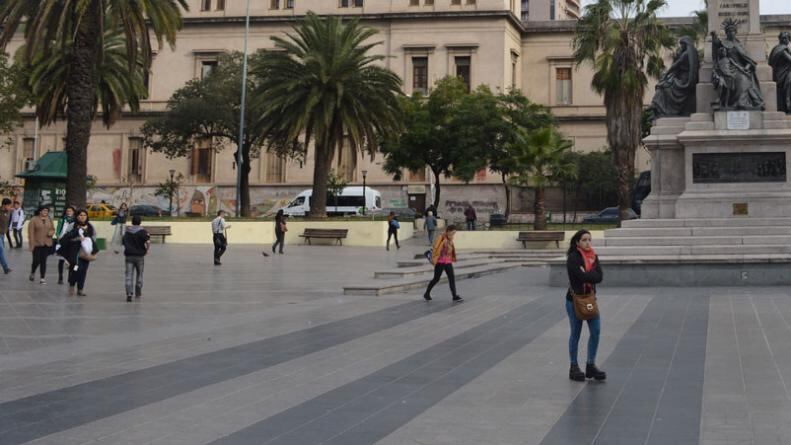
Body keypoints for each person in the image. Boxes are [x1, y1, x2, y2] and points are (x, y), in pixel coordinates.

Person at [565, 229, 606, 382]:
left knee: (596, 331)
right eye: (584, 240)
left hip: (589, 300)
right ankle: (573, 366)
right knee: (575, 333)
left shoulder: (594, 257)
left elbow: (599, 277)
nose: (587, 242)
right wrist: (590, 276)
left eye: (589, 239)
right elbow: (581, 277)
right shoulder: (573, 258)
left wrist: (587, 275)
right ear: (577, 242)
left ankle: (590, 365)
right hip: (574, 300)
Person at [711, 20, 764, 110]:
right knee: (738, 79)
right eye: (729, 32)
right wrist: (714, 37)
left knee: (744, 79)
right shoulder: (723, 44)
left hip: (740, 68)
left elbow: (748, 60)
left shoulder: (739, 44)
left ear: (735, 32)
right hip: (728, 68)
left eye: (733, 31)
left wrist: (746, 68)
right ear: (726, 33)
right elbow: (717, 49)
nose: (731, 33)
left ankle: (742, 102)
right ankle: (739, 102)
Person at [650, 36, 699, 117]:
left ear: (686, 44)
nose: (681, 46)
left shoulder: (686, 54)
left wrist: (666, 74)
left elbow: (675, 65)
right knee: (665, 83)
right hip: (683, 77)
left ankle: (658, 106)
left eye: (682, 44)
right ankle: (656, 105)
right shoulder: (693, 53)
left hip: (684, 80)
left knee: (665, 85)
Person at [60, 209, 97, 296]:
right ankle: (72, 285)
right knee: (76, 269)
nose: (82, 217)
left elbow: (94, 236)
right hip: (75, 252)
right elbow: (66, 238)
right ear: (77, 216)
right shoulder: (72, 225)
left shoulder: (90, 226)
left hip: (86, 252)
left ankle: (80, 289)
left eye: (84, 215)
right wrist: (77, 239)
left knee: (83, 270)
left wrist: (89, 243)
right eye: (80, 215)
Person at [423, 225, 463, 303]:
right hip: (440, 262)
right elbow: (435, 248)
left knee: (451, 278)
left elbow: (450, 251)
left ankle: (454, 296)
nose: (453, 235)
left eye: (454, 233)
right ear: (448, 231)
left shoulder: (450, 239)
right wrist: (435, 257)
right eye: (452, 233)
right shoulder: (441, 237)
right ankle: (427, 293)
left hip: (448, 262)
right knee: (436, 279)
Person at [123, 216, 150, 302]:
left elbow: (123, 242)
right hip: (139, 257)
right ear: (140, 222)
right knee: (139, 274)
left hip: (129, 256)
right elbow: (148, 242)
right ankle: (138, 292)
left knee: (128, 276)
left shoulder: (127, 232)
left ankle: (129, 293)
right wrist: (146, 250)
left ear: (132, 222)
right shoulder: (143, 232)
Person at [28, 205, 55, 284]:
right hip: (37, 243)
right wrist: (31, 244)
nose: (45, 212)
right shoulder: (34, 220)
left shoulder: (49, 219)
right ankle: (33, 272)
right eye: (44, 210)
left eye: (47, 211)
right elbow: (31, 233)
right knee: (36, 260)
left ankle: (42, 278)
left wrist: (51, 233)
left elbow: (53, 229)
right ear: (40, 211)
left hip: (46, 243)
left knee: (43, 261)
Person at [769, 31, 791, 114]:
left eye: (786, 38)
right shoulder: (782, 49)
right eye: (783, 38)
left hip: (781, 73)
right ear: (780, 39)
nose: (785, 40)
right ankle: (788, 107)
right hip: (782, 74)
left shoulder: (778, 48)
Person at [55, 206, 76, 284]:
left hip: (71, 242)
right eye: (67, 211)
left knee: (72, 261)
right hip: (62, 241)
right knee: (61, 259)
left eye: (70, 211)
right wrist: (57, 236)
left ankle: (70, 277)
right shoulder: (62, 220)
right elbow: (58, 229)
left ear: (73, 212)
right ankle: (60, 277)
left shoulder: (75, 220)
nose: (69, 212)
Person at [0, 198, 12, 274]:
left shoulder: (9, 212)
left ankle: (5, 268)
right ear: (4, 205)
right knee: (1, 250)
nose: (10, 207)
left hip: (2, 234)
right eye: (9, 205)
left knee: (1, 251)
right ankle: (6, 268)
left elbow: (8, 222)